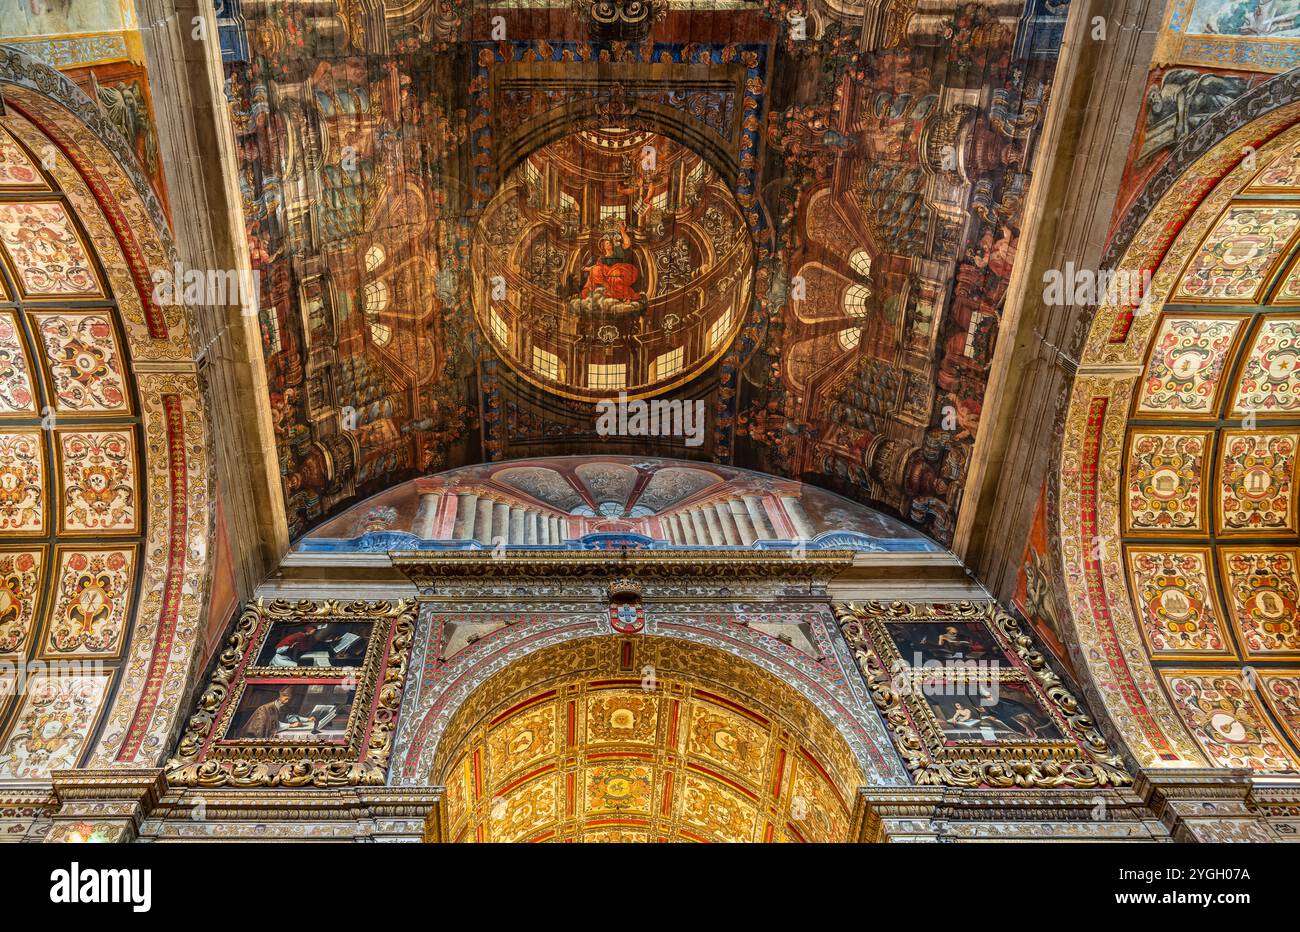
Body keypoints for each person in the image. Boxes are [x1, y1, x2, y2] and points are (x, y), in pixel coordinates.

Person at [579, 223, 641, 303]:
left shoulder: (618, 251)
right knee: (596, 269)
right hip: (606, 276)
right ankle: (603, 293)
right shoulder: (602, 258)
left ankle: (626, 297)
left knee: (616, 276)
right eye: (607, 243)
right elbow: (597, 267)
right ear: (603, 246)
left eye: (610, 243)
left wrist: (622, 231)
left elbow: (627, 243)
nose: (609, 245)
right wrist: (585, 268)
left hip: (619, 271)